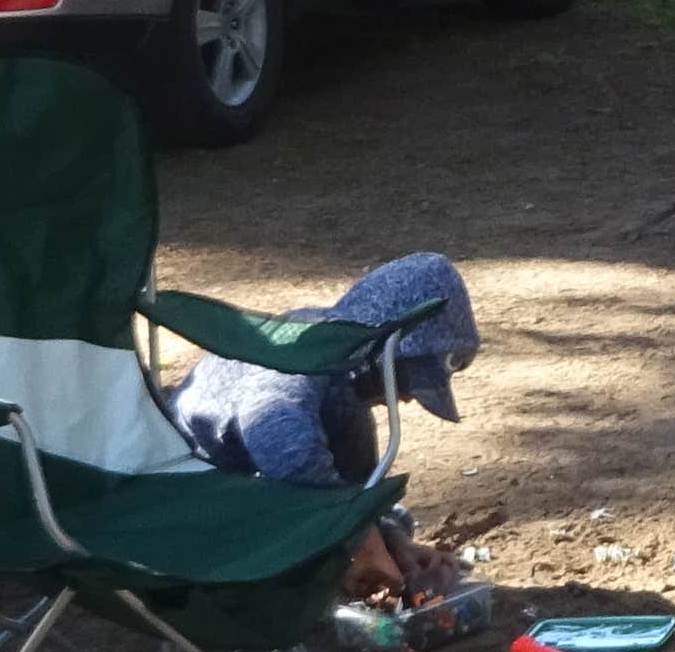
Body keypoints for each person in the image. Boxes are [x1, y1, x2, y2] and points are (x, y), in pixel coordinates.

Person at [169, 253, 478, 603]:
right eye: (408, 379)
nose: (406, 398)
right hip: (191, 516)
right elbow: (281, 444)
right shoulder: (304, 350)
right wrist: (359, 538)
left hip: (239, 505)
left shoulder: (343, 387)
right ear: (383, 352)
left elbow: (354, 487)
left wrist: (392, 538)